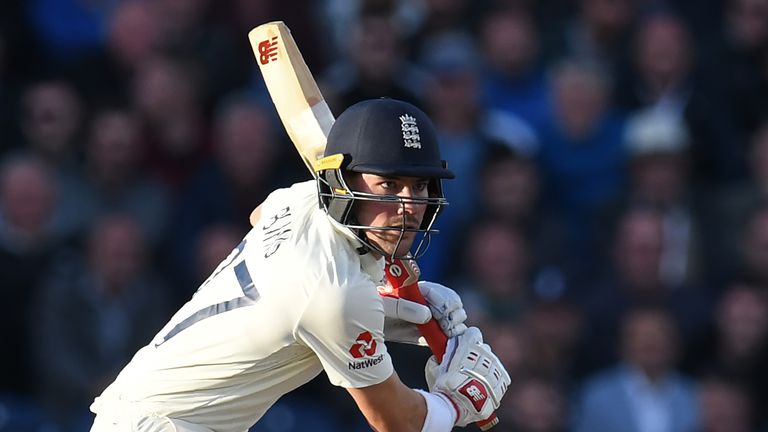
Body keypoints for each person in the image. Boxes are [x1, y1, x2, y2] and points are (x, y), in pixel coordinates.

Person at [89, 98, 511, 432]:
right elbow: (397, 422)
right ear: (343, 185)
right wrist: (457, 403)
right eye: (388, 184)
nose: (407, 206)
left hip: (149, 411)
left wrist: (375, 300)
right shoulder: (335, 295)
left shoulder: (299, 198)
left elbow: (262, 219)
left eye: (419, 186)